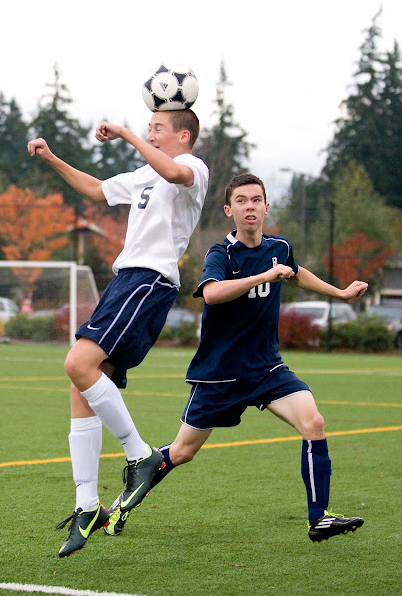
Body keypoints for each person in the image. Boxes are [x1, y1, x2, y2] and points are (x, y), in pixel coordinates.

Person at [106, 173, 367, 543]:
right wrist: (264, 275)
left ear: (266, 207)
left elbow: (295, 274)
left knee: (314, 422)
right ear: (229, 210)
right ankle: (119, 506)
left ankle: (319, 518)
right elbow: (212, 293)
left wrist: (339, 293)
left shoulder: (279, 247)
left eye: (256, 200)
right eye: (241, 201)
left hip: (267, 368)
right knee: (182, 451)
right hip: (220, 374)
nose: (249, 207)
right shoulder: (221, 254)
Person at [27, 109, 209, 557]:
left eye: (158, 128)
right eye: (148, 128)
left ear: (183, 135)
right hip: (125, 281)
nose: (151, 133)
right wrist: (51, 158)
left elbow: (173, 172)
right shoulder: (146, 173)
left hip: (148, 281)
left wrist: (127, 133)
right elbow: (96, 189)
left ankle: (140, 454)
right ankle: (88, 505)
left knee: (77, 364)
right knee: (81, 385)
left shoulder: (192, 167)